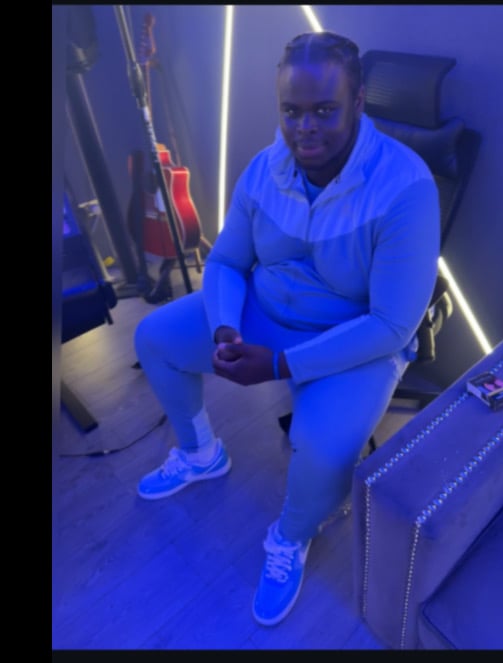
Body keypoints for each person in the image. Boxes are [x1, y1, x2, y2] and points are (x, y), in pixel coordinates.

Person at [132, 30, 440, 626]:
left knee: (320, 447)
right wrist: (225, 328)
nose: (304, 129)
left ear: (358, 103)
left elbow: (391, 323)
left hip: (356, 340)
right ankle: (201, 453)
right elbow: (226, 262)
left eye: (324, 110)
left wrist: (279, 365)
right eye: (291, 111)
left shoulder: (406, 187)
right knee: (155, 338)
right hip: (265, 312)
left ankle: (292, 536)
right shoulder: (264, 168)